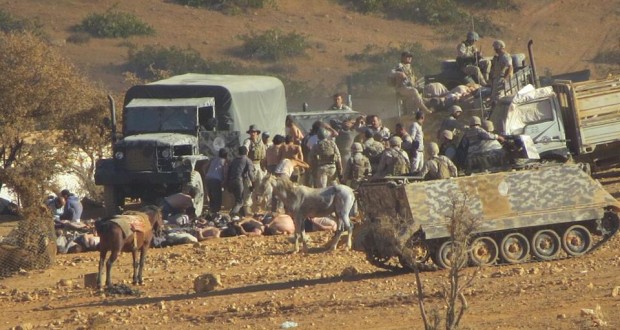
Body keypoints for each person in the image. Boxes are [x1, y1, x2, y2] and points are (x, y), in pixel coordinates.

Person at [243, 125, 266, 212]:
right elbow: (245, 149)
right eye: (251, 132)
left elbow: (264, 155)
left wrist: (264, 167)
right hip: (250, 165)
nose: (252, 133)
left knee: (259, 187)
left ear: (257, 133)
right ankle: (247, 208)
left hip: (259, 165)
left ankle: (258, 207)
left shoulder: (261, 142)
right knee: (248, 187)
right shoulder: (247, 141)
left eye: (254, 132)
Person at [227, 146, 255, 216]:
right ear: (246, 152)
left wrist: (227, 184)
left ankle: (240, 215)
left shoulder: (234, 160)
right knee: (240, 202)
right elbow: (250, 173)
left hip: (231, 181)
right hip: (238, 181)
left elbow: (228, 171)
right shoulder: (247, 160)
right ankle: (232, 214)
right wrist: (253, 184)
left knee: (237, 200)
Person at [205, 148, 229, 215]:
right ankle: (216, 213)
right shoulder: (224, 162)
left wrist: (206, 174)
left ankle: (211, 211)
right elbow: (225, 173)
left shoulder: (213, 159)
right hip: (216, 180)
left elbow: (204, 167)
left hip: (208, 178)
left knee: (211, 196)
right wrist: (224, 182)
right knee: (217, 197)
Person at [489, 40, 514, 104]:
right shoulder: (498, 57)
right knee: (493, 98)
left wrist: (505, 79)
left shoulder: (505, 57)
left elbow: (510, 67)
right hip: (496, 78)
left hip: (501, 78)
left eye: (496, 48)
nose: (495, 50)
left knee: (498, 98)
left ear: (500, 47)